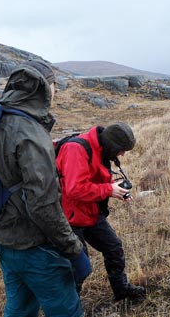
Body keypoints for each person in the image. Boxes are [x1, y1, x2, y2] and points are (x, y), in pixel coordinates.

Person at [0, 59, 91, 317]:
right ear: (45, 88)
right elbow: (44, 206)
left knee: (18, 312)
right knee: (63, 313)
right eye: (55, 86)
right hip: (32, 244)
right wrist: (72, 247)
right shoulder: (30, 132)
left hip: (1, 238)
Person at [55, 122, 146, 301]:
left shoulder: (100, 149)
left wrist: (116, 190)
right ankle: (69, 311)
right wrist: (108, 190)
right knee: (78, 267)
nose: (122, 154)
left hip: (90, 212)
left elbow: (96, 178)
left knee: (113, 248)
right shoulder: (76, 149)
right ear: (112, 144)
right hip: (69, 218)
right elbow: (74, 189)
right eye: (121, 150)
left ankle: (121, 290)